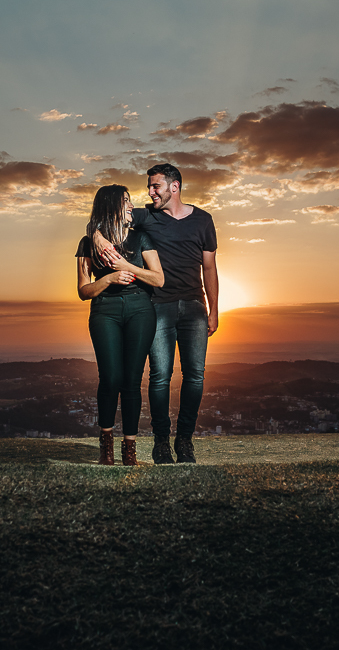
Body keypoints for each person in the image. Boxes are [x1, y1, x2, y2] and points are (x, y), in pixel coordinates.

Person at [96, 163, 218, 464]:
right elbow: (105, 217)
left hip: (194, 307)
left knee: (195, 376)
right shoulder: (146, 215)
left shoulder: (203, 220)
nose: (149, 193)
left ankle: (185, 441)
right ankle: (161, 442)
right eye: (149, 186)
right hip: (157, 306)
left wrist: (214, 310)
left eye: (155, 187)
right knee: (160, 376)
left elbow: (210, 268)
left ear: (174, 187)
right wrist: (97, 237)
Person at [76, 185, 164, 466]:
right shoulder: (89, 243)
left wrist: (128, 267)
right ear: (111, 205)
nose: (131, 205)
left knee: (131, 382)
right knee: (110, 378)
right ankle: (106, 452)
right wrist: (109, 279)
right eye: (126, 201)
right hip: (105, 311)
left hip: (140, 309)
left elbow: (158, 279)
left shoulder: (141, 238)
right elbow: (83, 291)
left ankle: (129, 452)